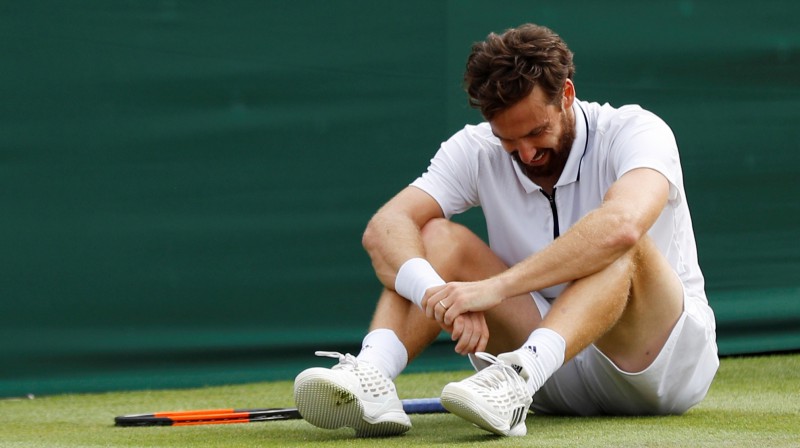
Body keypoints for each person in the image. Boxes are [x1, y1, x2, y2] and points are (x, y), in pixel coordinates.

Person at [293, 23, 719, 437]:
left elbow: (622, 227)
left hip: (655, 368)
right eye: (509, 141)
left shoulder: (637, 130)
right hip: (547, 382)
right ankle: (373, 376)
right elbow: (385, 227)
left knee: (623, 243)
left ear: (566, 94)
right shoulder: (474, 149)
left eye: (537, 132)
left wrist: (494, 288)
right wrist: (438, 298)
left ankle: (519, 372)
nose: (527, 153)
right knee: (435, 236)